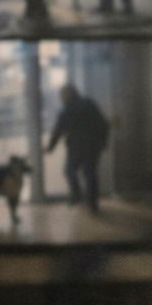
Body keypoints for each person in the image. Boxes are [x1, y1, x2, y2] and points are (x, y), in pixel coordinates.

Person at [46, 84, 110, 214]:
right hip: (93, 146)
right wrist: (103, 142)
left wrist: (50, 147)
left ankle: (76, 195)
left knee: (69, 171)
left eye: (62, 96)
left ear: (66, 95)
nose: (61, 98)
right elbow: (103, 124)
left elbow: (58, 131)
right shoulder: (89, 104)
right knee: (90, 175)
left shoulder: (66, 111)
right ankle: (92, 204)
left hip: (76, 147)